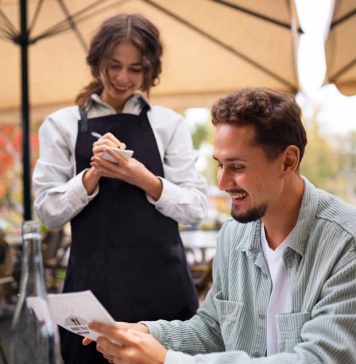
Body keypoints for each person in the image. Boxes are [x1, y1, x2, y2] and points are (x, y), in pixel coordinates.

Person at [86, 87, 356, 363]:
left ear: (288, 161)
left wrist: (166, 360)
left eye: (237, 167)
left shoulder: (347, 242)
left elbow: (319, 359)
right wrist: (145, 334)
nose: (222, 183)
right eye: (219, 165)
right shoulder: (233, 234)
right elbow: (212, 328)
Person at [32, 13, 208, 364]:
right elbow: (47, 212)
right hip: (91, 296)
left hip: (164, 292)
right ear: (97, 61)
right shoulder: (62, 125)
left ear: (150, 70)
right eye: (113, 65)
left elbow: (197, 208)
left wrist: (142, 177)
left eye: (135, 69)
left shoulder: (168, 124)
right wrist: (90, 176)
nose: (122, 78)